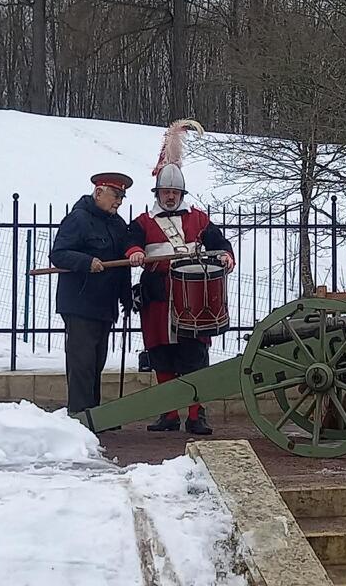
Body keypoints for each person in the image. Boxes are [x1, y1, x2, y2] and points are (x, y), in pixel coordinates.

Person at [126, 138, 234, 435]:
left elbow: (219, 243)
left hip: (193, 299)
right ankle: (169, 413)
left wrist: (226, 256)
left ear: (182, 194)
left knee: (194, 357)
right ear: (158, 193)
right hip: (158, 297)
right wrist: (134, 252)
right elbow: (131, 242)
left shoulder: (199, 219)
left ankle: (196, 416)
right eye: (166, 192)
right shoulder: (143, 222)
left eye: (175, 192)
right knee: (162, 355)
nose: (171, 196)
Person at [50, 172, 135, 416]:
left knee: (97, 362)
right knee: (82, 363)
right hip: (80, 302)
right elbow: (59, 254)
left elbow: (122, 264)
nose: (119, 201)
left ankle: (93, 415)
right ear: (99, 192)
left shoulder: (117, 224)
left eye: (122, 197)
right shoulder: (78, 219)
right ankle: (79, 414)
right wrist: (86, 262)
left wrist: (126, 297)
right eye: (115, 195)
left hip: (104, 304)